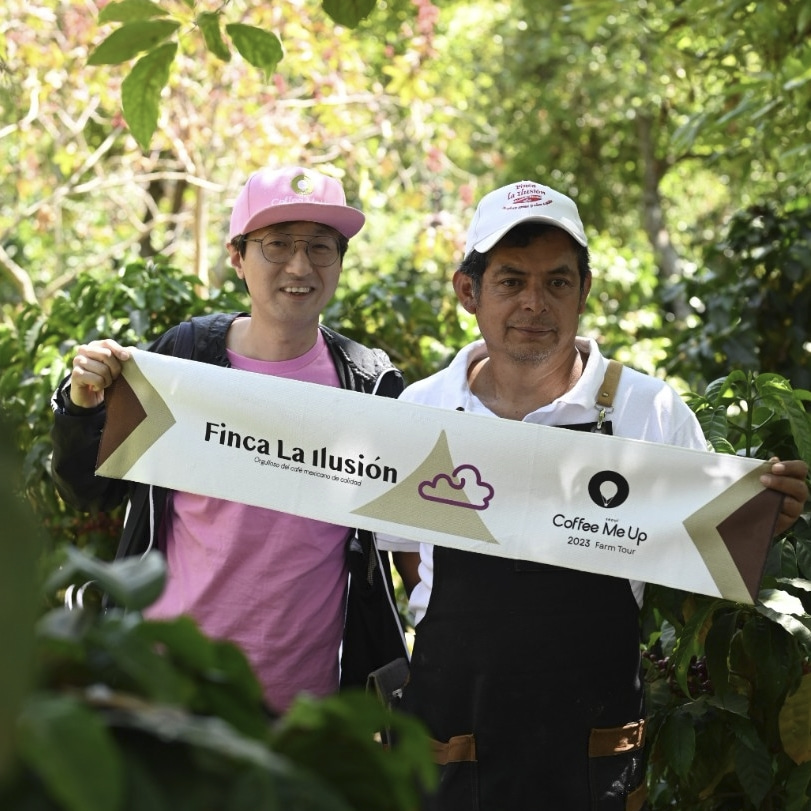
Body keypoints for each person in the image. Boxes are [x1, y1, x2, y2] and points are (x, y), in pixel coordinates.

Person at [379, 180, 809, 810]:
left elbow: (696, 562)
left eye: (557, 281)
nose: (535, 302)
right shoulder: (419, 412)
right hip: (451, 735)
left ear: (583, 291)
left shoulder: (648, 409)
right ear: (468, 291)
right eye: (511, 281)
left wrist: (760, 518)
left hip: (592, 748)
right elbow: (408, 559)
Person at [50, 165, 411, 714]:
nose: (300, 266)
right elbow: (88, 490)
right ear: (237, 257)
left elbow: (410, 533)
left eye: (320, 247)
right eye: (277, 244)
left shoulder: (369, 384)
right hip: (170, 691)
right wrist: (82, 407)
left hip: (305, 708)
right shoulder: (185, 358)